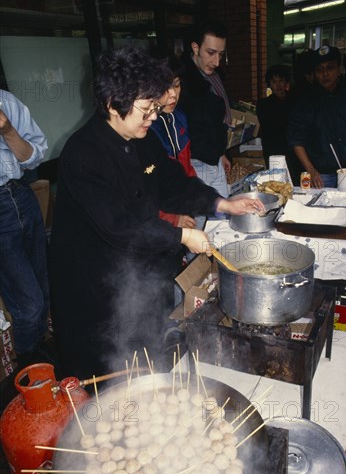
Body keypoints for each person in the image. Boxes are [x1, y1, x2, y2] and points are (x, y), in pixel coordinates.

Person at [49, 46, 265, 379]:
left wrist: (222, 203)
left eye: (155, 106)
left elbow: (172, 181)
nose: (154, 115)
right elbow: (119, 227)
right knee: (110, 377)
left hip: (141, 275)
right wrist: (183, 235)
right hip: (96, 291)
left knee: (150, 359)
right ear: (112, 104)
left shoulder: (141, 138)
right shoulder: (83, 154)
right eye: (147, 108)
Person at [0, 89, 49, 367]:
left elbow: (35, 156)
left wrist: (7, 130)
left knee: (42, 291)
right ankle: (29, 366)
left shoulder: (6, 101)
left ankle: (39, 353)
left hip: (20, 193)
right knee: (28, 305)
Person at [288, 45, 346, 188]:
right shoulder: (307, 100)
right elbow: (296, 140)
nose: (325, 74)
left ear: (339, 69)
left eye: (330, 68)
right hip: (323, 175)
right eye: (319, 70)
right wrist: (311, 170)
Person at [178, 19, 232, 209]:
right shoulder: (182, 81)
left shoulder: (211, 75)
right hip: (196, 163)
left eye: (221, 54)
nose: (216, 62)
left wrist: (220, 153)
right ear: (195, 47)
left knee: (224, 219)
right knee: (201, 227)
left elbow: (212, 124)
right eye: (211, 53)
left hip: (213, 159)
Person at [151, 56, 197, 230]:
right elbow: (142, 191)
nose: (173, 95)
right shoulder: (143, 128)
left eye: (176, 85)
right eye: (165, 87)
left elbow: (187, 165)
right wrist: (172, 219)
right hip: (159, 219)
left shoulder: (180, 118)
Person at [256, 64, 292, 169]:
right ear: (269, 84)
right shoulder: (263, 104)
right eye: (274, 82)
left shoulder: (295, 101)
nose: (278, 85)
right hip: (273, 151)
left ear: (286, 82)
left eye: (281, 81)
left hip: (292, 152)